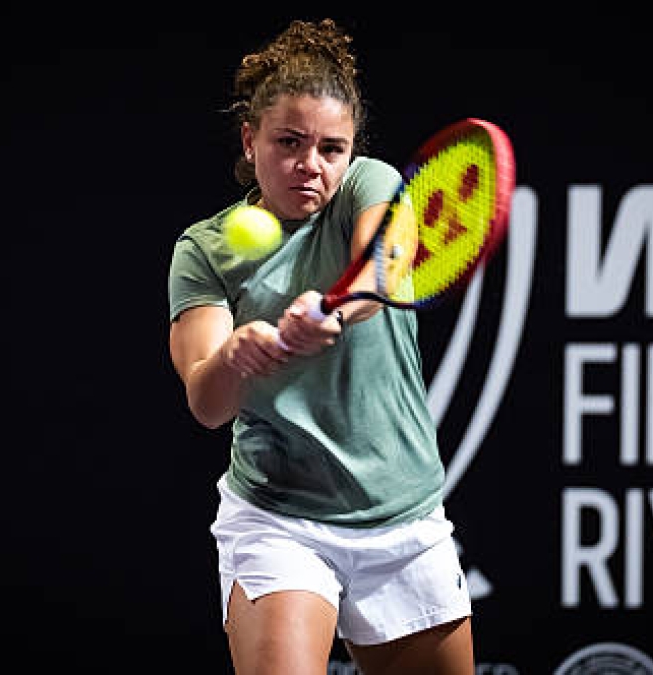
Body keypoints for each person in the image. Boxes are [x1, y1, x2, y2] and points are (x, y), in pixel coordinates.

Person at [167, 18, 474, 675]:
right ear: (250, 141)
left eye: (333, 147)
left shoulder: (369, 184)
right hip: (280, 520)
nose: (313, 163)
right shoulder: (204, 250)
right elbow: (207, 401)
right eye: (290, 142)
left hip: (403, 517)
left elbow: (384, 267)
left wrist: (332, 305)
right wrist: (235, 355)